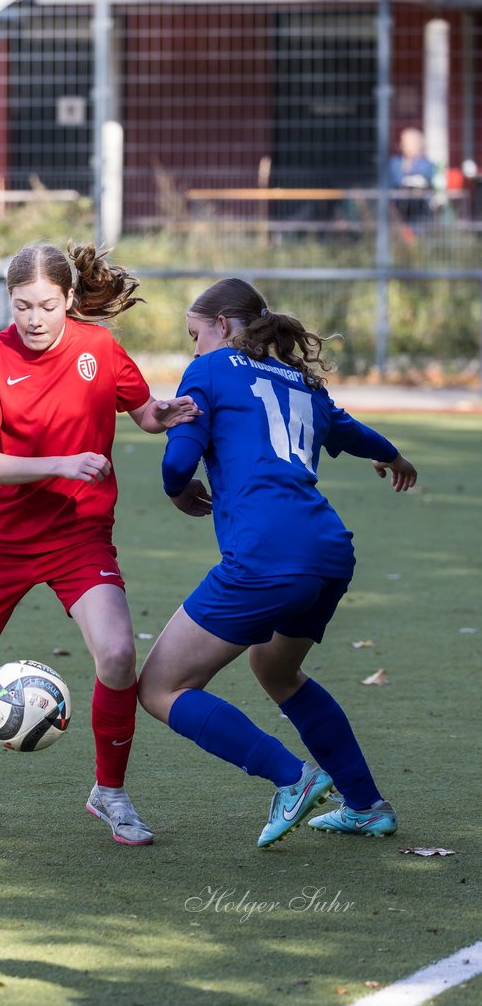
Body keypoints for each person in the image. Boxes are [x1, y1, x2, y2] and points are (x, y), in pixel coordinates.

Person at [0, 242, 199, 845]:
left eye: (47, 305)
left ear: (70, 301)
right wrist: (62, 463)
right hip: (3, 541)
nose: (33, 318)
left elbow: (145, 415)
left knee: (116, 656)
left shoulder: (100, 349)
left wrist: (172, 411)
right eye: (21, 304)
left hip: (80, 536)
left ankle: (109, 795)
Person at [137, 278, 417, 848]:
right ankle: (366, 805)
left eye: (196, 335)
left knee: (160, 688)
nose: (193, 348)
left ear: (222, 325)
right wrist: (394, 456)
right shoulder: (300, 381)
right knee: (277, 670)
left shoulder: (208, 372)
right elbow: (351, 430)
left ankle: (292, 778)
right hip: (329, 552)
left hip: (267, 558)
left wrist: (178, 489)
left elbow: (177, 465)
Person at [389, 128, 436, 230]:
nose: (403, 145)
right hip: (397, 207)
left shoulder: (426, 164)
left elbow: (426, 179)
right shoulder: (394, 163)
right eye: (403, 142)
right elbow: (393, 181)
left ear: (417, 145)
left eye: (407, 142)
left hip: (419, 207)